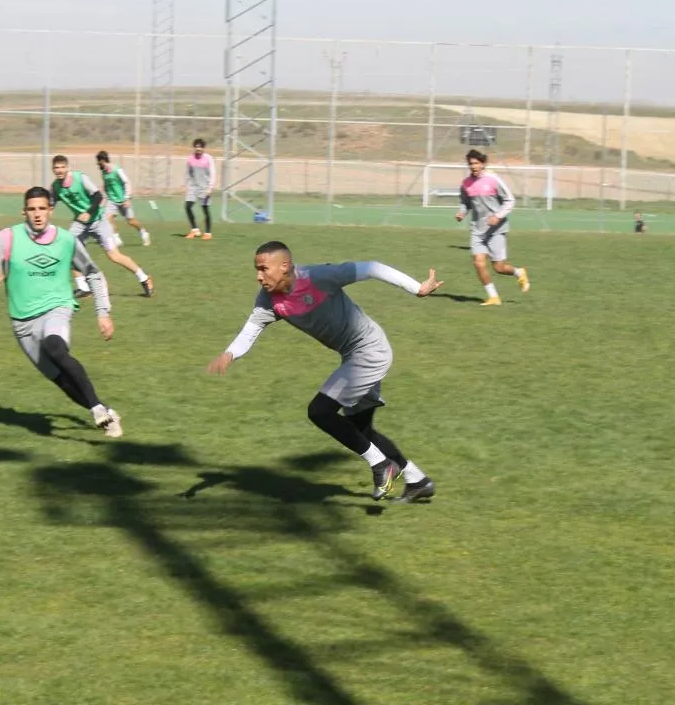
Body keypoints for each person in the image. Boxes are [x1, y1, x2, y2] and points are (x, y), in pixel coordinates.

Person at [206, 241, 443, 502]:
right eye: (256, 270)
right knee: (360, 429)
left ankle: (381, 465)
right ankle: (417, 480)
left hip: (369, 350)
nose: (258, 276)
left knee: (320, 411)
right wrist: (230, 353)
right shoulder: (269, 299)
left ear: (284, 266)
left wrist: (417, 288)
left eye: (263, 269)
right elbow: (251, 329)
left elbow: (372, 268)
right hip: (352, 355)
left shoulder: (318, 277)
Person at [0, 186, 123, 438]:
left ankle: (97, 409)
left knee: (55, 348)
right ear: (24, 212)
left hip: (57, 307)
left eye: (42, 208)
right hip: (22, 323)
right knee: (60, 379)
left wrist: (103, 312)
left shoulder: (66, 241)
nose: (37, 214)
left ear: (51, 210)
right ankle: (105, 411)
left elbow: (94, 274)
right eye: (32, 209)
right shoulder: (7, 238)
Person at [48, 155, 154, 299]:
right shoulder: (55, 186)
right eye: (56, 168)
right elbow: (51, 203)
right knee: (70, 249)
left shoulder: (80, 178)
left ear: (68, 168)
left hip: (99, 221)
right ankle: (83, 287)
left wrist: (88, 212)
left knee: (114, 256)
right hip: (80, 224)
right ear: (53, 170)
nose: (59, 170)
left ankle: (144, 278)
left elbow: (98, 196)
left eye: (62, 167)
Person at [455, 149, 530, 306]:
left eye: (476, 163)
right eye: (471, 164)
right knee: (478, 262)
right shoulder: (466, 183)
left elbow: (509, 200)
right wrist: (462, 212)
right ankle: (493, 297)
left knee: (499, 267)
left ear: (483, 164)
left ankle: (519, 272)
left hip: (496, 230)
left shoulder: (493, 179)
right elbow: (465, 203)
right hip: (477, 230)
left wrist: (498, 216)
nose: (473, 166)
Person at [96, 150, 150, 247]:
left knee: (131, 221)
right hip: (112, 200)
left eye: (98, 161)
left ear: (102, 160)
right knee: (108, 218)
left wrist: (127, 198)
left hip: (123, 199)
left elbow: (126, 182)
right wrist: (103, 198)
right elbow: (106, 186)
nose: (97, 163)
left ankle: (143, 233)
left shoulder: (117, 169)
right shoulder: (103, 173)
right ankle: (116, 239)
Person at [184, 139, 216, 240]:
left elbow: (212, 173)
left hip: (204, 188)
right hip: (193, 187)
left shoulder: (208, 158)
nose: (198, 149)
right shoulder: (190, 158)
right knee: (187, 206)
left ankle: (208, 233)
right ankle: (195, 230)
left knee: (205, 209)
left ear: (203, 148)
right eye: (196, 147)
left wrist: (210, 187)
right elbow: (188, 173)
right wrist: (186, 185)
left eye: (200, 147)